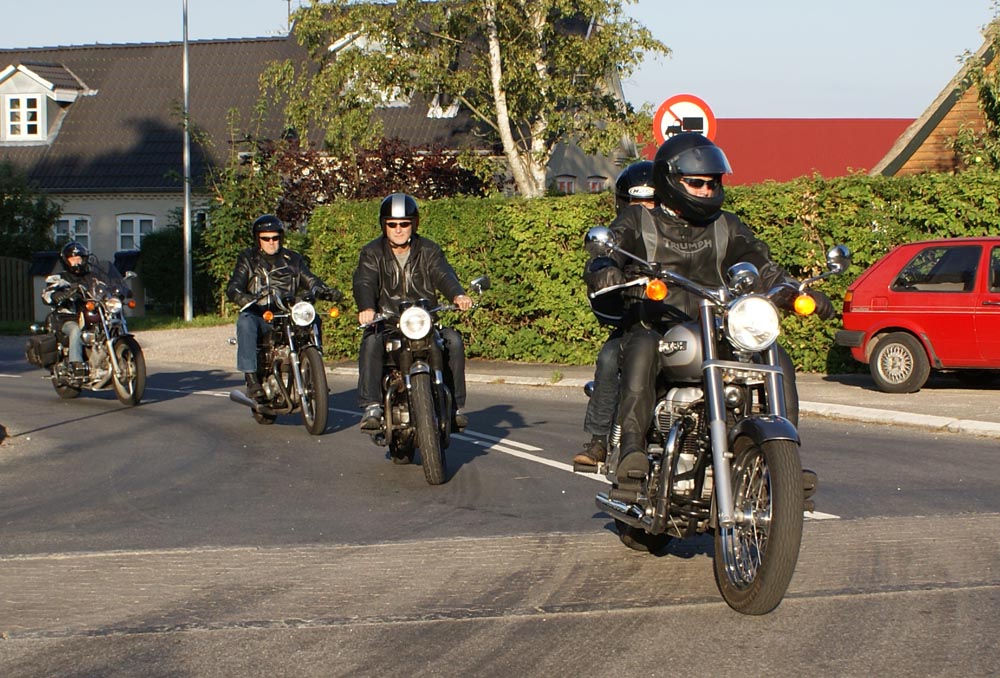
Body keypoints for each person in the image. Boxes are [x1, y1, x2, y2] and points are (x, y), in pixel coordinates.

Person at [584, 132, 834, 489]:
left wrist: (794, 291)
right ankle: (632, 451)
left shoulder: (726, 225)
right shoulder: (639, 220)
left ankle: (786, 460)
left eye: (711, 183)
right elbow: (609, 251)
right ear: (671, 181)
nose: (705, 190)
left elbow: (762, 265)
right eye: (696, 182)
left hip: (718, 327)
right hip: (658, 324)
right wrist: (605, 269)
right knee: (641, 348)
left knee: (776, 356)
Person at [353, 193, 473, 431]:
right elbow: (364, 281)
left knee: (453, 341)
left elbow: (443, 274)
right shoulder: (372, 252)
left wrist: (457, 295)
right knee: (371, 341)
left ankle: (455, 408)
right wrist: (367, 308)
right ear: (384, 225)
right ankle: (372, 406)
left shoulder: (429, 250)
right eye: (392, 224)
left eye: (404, 224)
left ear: (414, 224)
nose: (398, 229)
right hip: (389, 322)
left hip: (424, 320)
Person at [573, 160, 657, 466]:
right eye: (636, 202)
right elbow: (604, 258)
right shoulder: (621, 236)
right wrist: (605, 272)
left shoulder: (678, 232)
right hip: (637, 323)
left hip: (681, 322)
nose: (644, 208)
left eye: (652, 201)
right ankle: (598, 441)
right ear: (623, 203)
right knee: (610, 357)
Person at [226, 214, 342, 400]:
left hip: (288, 312)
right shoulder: (248, 259)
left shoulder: (293, 259)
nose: (271, 242)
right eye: (266, 238)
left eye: (275, 237)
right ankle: (252, 379)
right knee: (245, 322)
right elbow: (234, 285)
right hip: (261, 313)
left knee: (313, 317)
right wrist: (241, 296)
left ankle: (315, 371)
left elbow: (310, 279)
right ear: (258, 239)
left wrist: (324, 290)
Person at [41, 241, 112, 376]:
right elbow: (47, 294)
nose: (77, 262)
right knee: (76, 330)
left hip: (90, 315)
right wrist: (60, 295)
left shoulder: (92, 277)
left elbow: (106, 285)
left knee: (107, 327)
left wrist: (117, 289)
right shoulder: (60, 278)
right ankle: (76, 365)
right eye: (73, 259)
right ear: (66, 261)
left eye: (79, 258)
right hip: (67, 318)